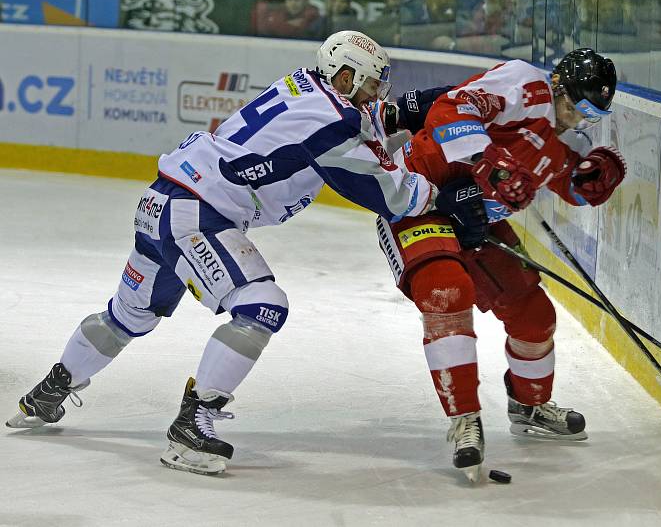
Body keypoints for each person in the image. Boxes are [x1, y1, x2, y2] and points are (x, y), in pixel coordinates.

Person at [5, 31, 445, 476]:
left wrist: (439, 100)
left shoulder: (307, 87)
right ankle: (191, 425)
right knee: (262, 305)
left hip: (162, 202)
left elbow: (365, 120)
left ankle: (47, 392)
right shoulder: (337, 123)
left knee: (127, 317)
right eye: (370, 85)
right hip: (196, 215)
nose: (375, 96)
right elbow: (388, 192)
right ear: (344, 76)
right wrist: (446, 196)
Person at [373, 48, 626, 481]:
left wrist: (586, 181)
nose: (579, 121)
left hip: (477, 225)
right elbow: (448, 108)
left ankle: (529, 404)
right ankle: (465, 419)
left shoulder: (551, 138)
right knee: (446, 293)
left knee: (535, 316)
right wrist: (484, 161)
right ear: (560, 87)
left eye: (592, 116)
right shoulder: (524, 85)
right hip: (418, 202)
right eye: (578, 107)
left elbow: (559, 177)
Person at [250, 0, 325, 39]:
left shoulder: (313, 15)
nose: (293, 3)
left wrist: (281, 24)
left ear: (306, 0)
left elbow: (302, 33)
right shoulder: (279, 13)